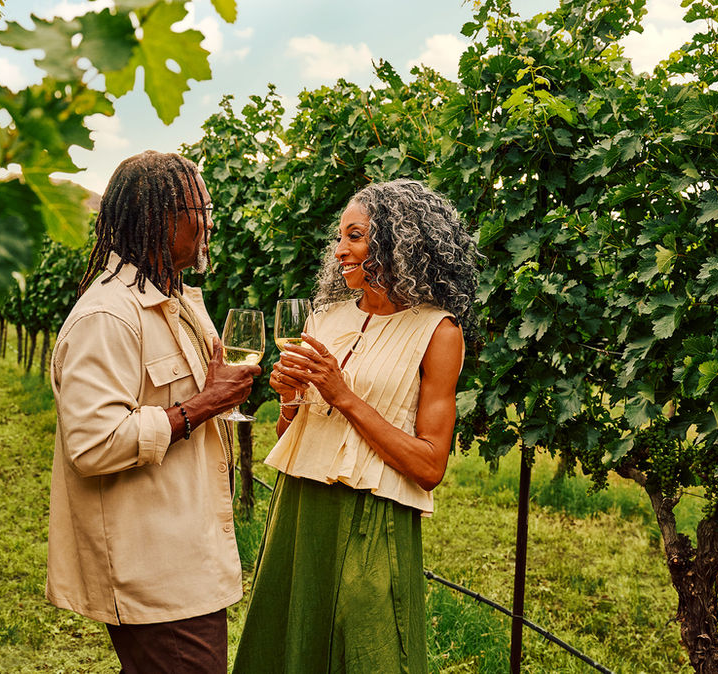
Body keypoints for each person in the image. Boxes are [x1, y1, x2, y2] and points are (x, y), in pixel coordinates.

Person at [232, 179, 481, 673]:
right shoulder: (324, 319)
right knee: (289, 647)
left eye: (355, 236)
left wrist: (343, 396)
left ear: (397, 241)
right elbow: (293, 437)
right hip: (299, 506)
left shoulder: (438, 330)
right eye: (339, 237)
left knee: (372, 651)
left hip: (374, 517)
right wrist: (287, 401)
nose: (340, 250)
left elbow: (430, 465)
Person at [47, 150, 261, 673]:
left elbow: (205, 395)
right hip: (152, 569)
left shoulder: (177, 302)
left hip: (187, 554)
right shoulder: (108, 316)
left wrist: (227, 396)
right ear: (163, 220)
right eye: (200, 208)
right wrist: (203, 405)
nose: (210, 221)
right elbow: (93, 445)